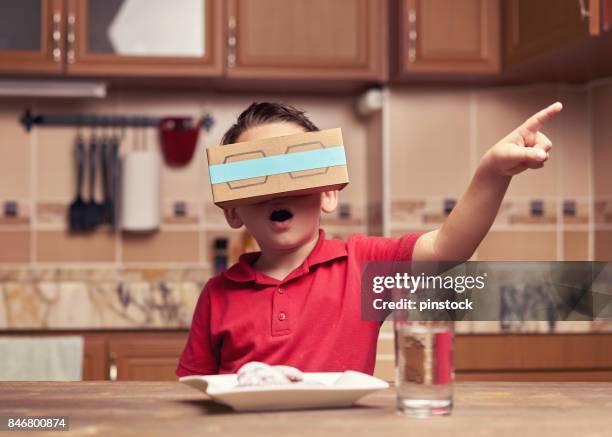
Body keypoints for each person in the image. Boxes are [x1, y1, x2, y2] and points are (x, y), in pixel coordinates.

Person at [176, 100, 562, 376]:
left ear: (328, 193)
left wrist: (493, 173)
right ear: (232, 208)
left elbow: (448, 248)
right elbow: (193, 390)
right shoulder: (217, 295)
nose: (278, 194)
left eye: (295, 174)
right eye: (257, 178)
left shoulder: (364, 267)